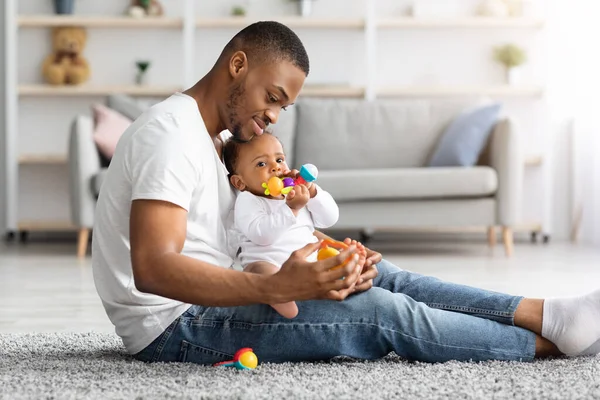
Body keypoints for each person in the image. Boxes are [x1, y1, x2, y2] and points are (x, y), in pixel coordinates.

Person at [92, 21, 600, 366]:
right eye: (272, 98)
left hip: (223, 289)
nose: (273, 116)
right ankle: (545, 346)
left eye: (283, 108)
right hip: (175, 328)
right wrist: (278, 288)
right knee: (381, 311)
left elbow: (235, 231)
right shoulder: (171, 136)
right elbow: (154, 268)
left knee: (387, 276)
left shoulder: (214, 142)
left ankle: (550, 314)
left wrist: (323, 251)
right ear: (238, 64)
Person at [222, 132, 367, 319]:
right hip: (268, 262)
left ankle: (347, 273)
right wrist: (291, 209)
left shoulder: (294, 194)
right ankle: (280, 297)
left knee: (329, 258)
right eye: (261, 164)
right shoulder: (248, 200)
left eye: (279, 159)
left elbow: (330, 218)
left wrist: (312, 192)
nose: (275, 167)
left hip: (307, 262)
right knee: (259, 272)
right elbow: (261, 235)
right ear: (240, 182)